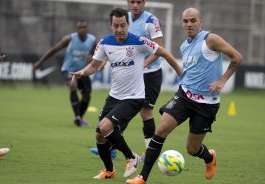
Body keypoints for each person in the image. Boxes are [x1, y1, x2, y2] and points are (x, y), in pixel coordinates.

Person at [126, 7, 243, 184]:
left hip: (207, 104)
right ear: (182, 23)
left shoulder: (210, 39)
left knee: (192, 148)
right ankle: (143, 177)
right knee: (161, 130)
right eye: (186, 21)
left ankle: (209, 158)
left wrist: (222, 81)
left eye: (193, 20)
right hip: (184, 96)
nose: (189, 24)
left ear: (200, 22)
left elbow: (237, 57)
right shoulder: (184, 46)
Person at [70, 8, 182, 179]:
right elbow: (94, 65)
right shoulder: (105, 43)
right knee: (99, 135)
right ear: (111, 25)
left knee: (105, 127)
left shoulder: (139, 41)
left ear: (127, 24)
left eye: (123, 25)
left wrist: (180, 72)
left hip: (134, 98)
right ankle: (109, 170)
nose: (119, 29)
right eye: (116, 25)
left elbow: (164, 52)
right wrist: (82, 72)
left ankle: (132, 157)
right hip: (114, 96)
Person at [90, 0, 164, 161]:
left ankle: (149, 152)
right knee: (120, 111)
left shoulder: (151, 20)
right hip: (131, 72)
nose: (135, 5)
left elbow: (159, 48)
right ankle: (113, 146)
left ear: (144, 2)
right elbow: (119, 48)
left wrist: (144, 63)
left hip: (150, 73)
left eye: (138, 2)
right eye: (132, 1)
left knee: (145, 112)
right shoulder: (124, 18)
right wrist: (104, 60)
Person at [34, 20, 97, 127]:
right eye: (79, 27)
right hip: (68, 70)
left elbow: (96, 53)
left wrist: (92, 58)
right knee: (73, 85)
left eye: (84, 27)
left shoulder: (92, 40)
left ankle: (79, 118)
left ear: (87, 28)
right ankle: (77, 117)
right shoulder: (69, 39)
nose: (82, 29)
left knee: (87, 95)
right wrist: (40, 62)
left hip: (82, 71)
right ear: (76, 29)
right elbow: (54, 50)